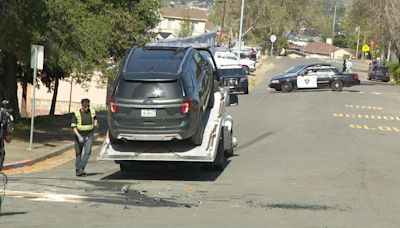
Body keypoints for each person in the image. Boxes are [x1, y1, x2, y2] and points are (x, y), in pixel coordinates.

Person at [71, 98, 98, 177]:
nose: (86, 108)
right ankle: (78, 171)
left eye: (87, 107)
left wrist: (96, 123)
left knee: (87, 152)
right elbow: (73, 127)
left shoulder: (92, 111)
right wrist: (79, 136)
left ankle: (80, 168)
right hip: (79, 135)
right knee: (78, 153)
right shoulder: (76, 114)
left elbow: (95, 119)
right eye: (85, 107)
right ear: (82, 106)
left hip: (89, 135)